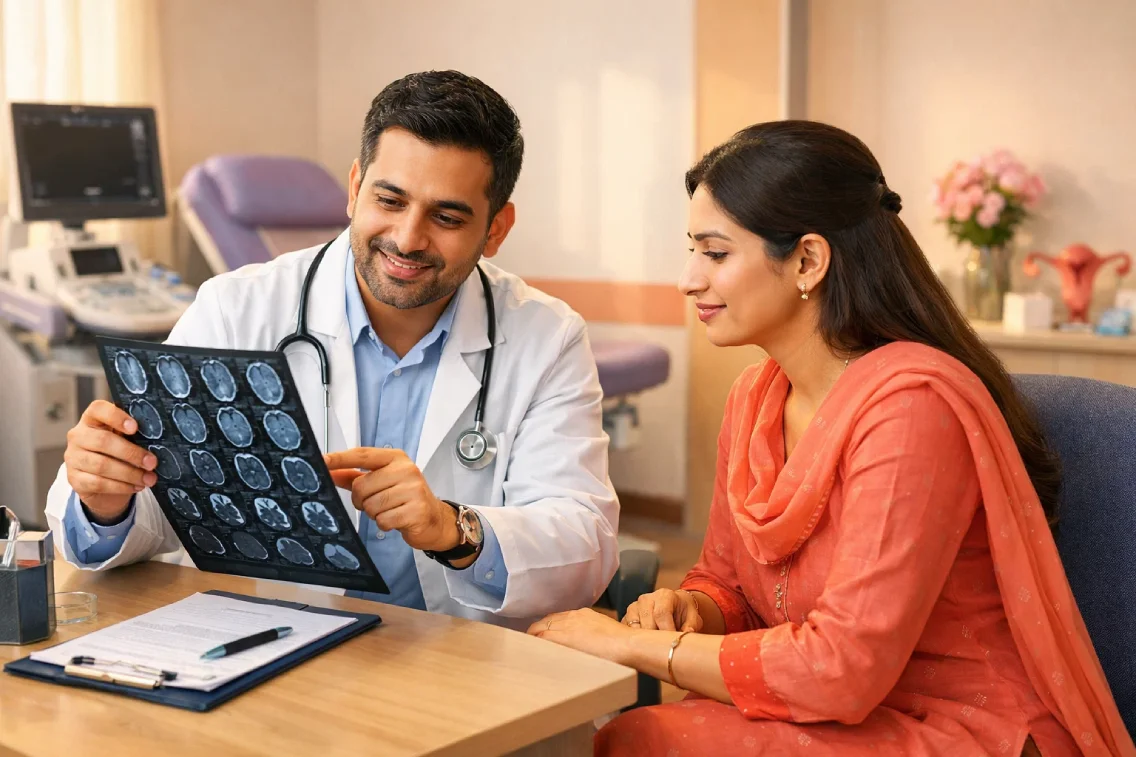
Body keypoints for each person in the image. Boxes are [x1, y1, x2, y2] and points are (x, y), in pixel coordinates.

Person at [529, 121, 1134, 755]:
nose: (688, 279)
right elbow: (726, 582)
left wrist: (630, 644)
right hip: (835, 709)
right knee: (639, 737)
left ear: (808, 261)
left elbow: (843, 668)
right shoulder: (754, 400)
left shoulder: (910, 407)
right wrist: (688, 611)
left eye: (714, 253)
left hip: (959, 727)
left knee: (647, 740)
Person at [45, 70, 620, 628]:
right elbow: (163, 512)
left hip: (459, 661)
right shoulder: (235, 310)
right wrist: (105, 497)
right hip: (270, 643)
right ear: (354, 188)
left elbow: (585, 541)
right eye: (389, 200)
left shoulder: (546, 338)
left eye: (446, 216)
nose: (407, 238)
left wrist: (453, 529)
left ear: (496, 229)